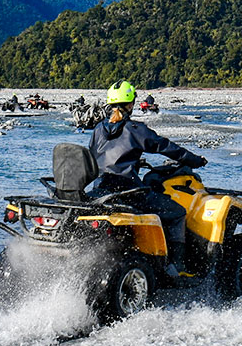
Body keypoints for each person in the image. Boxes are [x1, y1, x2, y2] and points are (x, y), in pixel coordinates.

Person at [89, 79, 207, 272]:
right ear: (131, 104)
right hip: (129, 193)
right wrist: (195, 160)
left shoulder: (98, 129)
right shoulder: (135, 129)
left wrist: (135, 161)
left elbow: (96, 156)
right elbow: (166, 147)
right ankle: (176, 266)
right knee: (177, 213)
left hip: (101, 190)